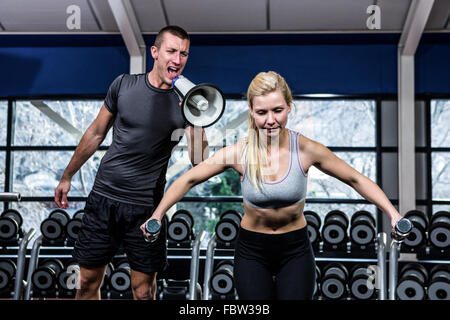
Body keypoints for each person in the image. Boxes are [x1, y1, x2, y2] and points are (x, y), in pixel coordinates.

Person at [141, 70, 404, 300]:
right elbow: (189, 178)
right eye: (262, 112)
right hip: (252, 251)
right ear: (251, 112)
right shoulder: (240, 152)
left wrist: (392, 214)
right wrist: (157, 214)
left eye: (278, 110)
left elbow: (356, 179)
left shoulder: (306, 149)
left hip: (295, 249)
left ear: (290, 106)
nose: (270, 120)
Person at [54, 25, 209, 300]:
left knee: (143, 291)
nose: (177, 59)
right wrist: (68, 175)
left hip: (146, 208)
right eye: (171, 51)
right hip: (104, 198)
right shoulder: (124, 84)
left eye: (184, 54)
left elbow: (199, 160)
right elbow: (95, 132)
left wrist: (196, 116)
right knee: (87, 282)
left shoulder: (185, 102)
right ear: (155, 52)